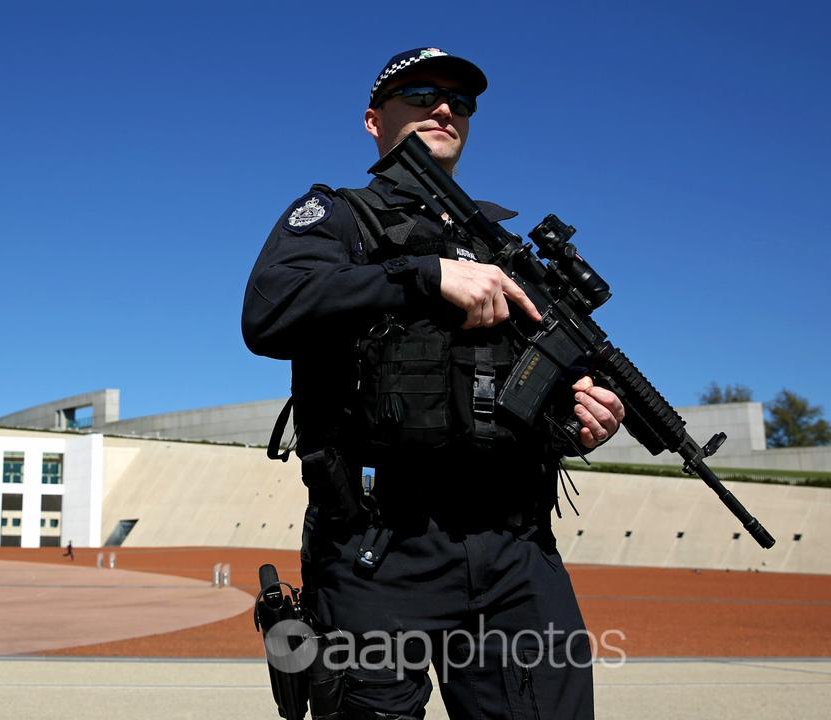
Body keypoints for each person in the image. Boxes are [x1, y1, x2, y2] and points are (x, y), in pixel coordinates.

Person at [242, 47, 625, 720]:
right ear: (373, 120)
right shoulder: (340, 219)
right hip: (379, 547)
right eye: (420, 94)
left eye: (460, 101)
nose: (443, 108)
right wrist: (421, 277)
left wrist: (584, 411)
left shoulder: (504, 251)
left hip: (516, 551)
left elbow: (535, 386)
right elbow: (269, 312)